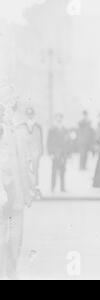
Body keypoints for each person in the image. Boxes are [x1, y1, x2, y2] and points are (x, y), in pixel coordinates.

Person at [0, 101, 34, 279]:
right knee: (8, 236)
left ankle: (10, 272)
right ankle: (8, 273)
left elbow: (25, 163)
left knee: (15, 238)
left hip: (16, 194)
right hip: (7, 194)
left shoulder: (17, 132)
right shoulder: (5, 132)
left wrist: (28, 190)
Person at [15, 107, 43, 191]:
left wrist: (40, 151)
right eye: (28, 114)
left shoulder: (38, 126)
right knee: (26, 170)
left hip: (35, 151)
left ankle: (35, 187)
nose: (30, 115)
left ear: (33, 114)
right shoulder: (22, 126)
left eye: (31, 114)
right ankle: (28, 188)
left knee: (35, 170)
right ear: (26, 115)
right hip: (26, 151)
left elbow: (40, 139)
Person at [47, 113, 70, 193]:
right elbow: (49, 142)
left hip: (63, 154)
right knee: (54, 171)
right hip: (55, 153)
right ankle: (52, 187)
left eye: (60, 119)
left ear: (62, 120)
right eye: (57, 119)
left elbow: (68, 143)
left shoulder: (65, 130)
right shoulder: (52, 130)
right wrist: (50, 153)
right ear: (55, 120)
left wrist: (67, 154)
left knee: (63, 171)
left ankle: (62, 188)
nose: (59, 120)